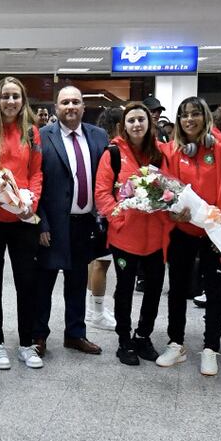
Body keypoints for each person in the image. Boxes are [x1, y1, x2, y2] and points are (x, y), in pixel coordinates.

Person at [159, 98, 221, 376]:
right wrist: (172, 214)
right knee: (177, 289)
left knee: (214, 290)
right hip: (183, 231)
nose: (189, 119)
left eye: (195, 113)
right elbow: (166, 191)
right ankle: (176, 343)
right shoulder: (172, 151)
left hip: (214, 232)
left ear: (205, 117)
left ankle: (211, 346)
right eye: (184, 115)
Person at [0, 77, 44, 370]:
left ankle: (26, 344)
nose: (11, 102)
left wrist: (32, 204)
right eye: (5, 97)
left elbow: (37, 173)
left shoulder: (32, 132)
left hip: (22, 220)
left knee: (26, 283)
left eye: (16, 96)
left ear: (23, 100)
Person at [34, 86, 108, 358]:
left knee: (77, 282)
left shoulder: (99, 136)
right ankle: (39, 335)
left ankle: (75, 334)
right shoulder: (42, 137)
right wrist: (41, 223)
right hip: (52, 226)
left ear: (83, 106)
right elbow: (35, 183)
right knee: (44, 283)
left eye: (76, 101)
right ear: (56, 108)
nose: (71, 106)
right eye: (65, 102)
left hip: (84, 224)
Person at [94, 102, 170, 366]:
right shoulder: (113, 154)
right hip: (125, 236)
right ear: (123, 126)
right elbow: (102, 193)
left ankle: (143, 336)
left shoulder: (160, 153)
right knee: (125, 290)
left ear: (149, 123)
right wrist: (119, 218)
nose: (136, 124)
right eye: (131, 121)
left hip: (156, 237)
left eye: (141, 119)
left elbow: (172, 188)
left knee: (153, 290)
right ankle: (124, 340)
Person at [86, 107, 124, 330]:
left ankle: (94, 308)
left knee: (95, 262)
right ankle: (97, 312)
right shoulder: (112, 149)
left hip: (96, 210)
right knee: (101, 262)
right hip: (104, 210)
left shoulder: (99, 144)